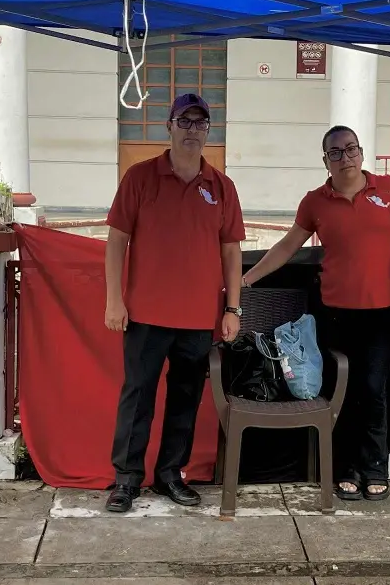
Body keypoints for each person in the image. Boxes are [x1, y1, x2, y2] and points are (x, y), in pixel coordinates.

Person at [242, 125, 390, 501]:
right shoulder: (315, 202)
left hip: (380, 313)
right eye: (335, 152)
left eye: (350, 149)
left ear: (361, 152)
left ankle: (375, 467)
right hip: (333, 315)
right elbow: (288, 246)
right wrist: (248, 278)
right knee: (339, 391)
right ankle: (344, 469)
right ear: (326, 160)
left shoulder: (389, 190)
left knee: (373, 392)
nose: (345, 157)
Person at [103, 93, 246, 513]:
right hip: (145, 314)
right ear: (169, 126)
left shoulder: (221, 187)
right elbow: (116, 242)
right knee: (138, 396)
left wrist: (232, 309)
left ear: (208, 132)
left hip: (199, 318)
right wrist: (115, 300)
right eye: (185, 121)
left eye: (200, 123)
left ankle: (170, 474)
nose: (192, 130)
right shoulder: (140, 178)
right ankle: (126, 479)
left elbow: (232, 251)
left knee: (185, 399)